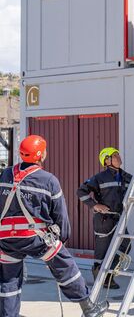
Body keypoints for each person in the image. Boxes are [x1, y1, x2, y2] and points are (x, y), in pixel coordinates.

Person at [0, 135, 108, 317]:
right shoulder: (48, 180)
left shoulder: (5, 174)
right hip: (35, 238)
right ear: (40, 155)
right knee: (66, 266)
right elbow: (60, 214)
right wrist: (62, 239)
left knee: (8, 278)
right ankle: (88, 308)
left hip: (6, 239)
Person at [77, 147, 132, 290]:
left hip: (118, 218)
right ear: (106, 160)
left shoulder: (125, 176)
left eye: (118, 155)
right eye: (114, 156)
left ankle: (109, 273)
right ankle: (101, 278)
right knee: (102, 251)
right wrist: (95, 205)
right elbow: (81, 191)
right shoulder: (99, 178)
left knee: (126, 245)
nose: (118, 157)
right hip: (103, 220)